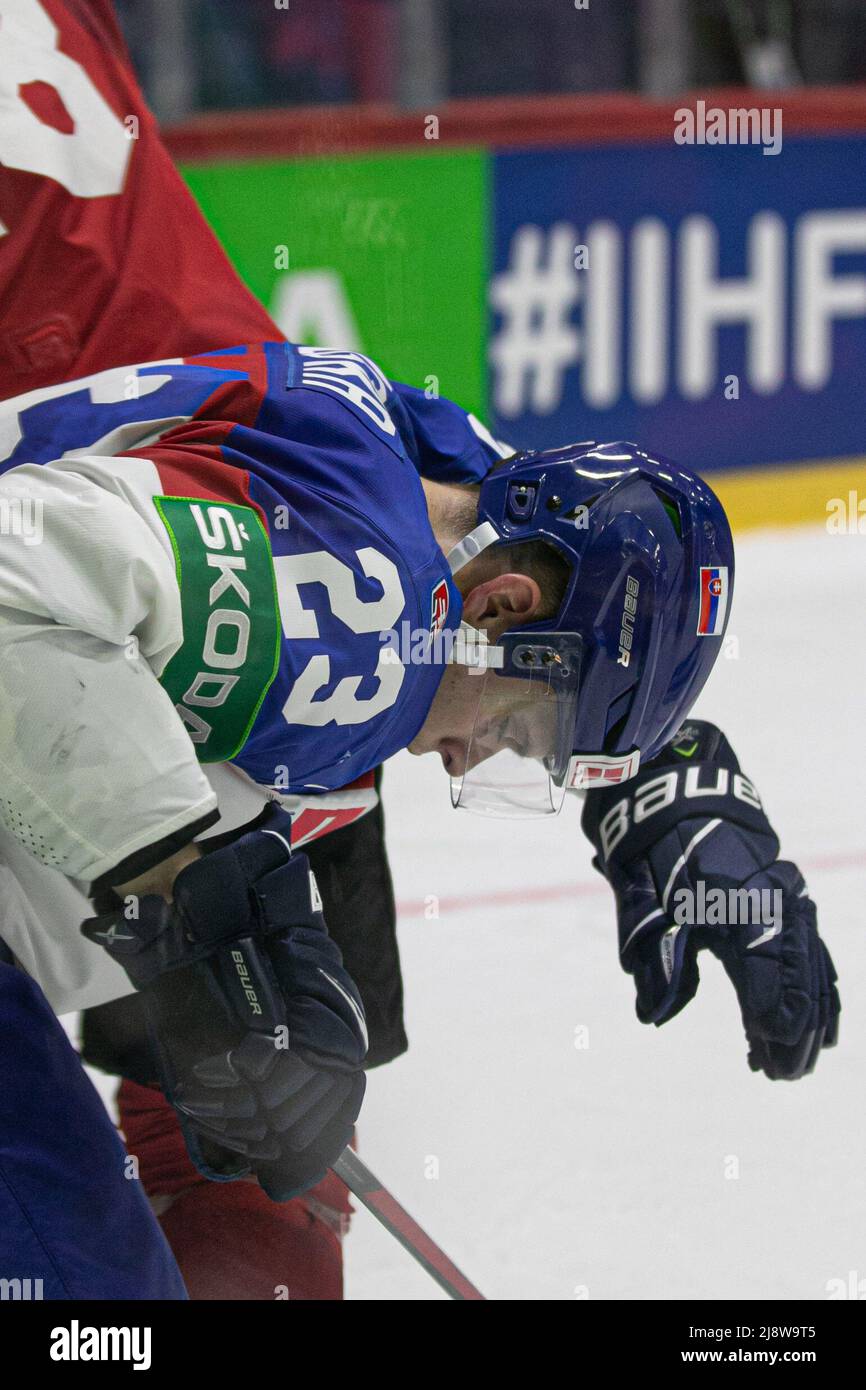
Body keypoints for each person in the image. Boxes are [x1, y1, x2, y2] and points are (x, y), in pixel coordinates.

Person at [0, 0, 839, 1303]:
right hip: (137, 541)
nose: (469, 766)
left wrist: (659, 763)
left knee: (277, 954)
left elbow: (507, 540)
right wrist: (183, 878)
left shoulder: (386, 558)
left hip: (170, 525)